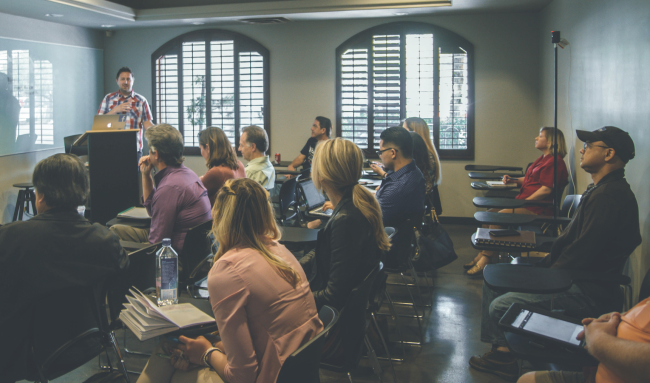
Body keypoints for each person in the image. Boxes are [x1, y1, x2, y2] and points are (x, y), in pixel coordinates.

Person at [469, 126, 641, 382]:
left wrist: (541, 276)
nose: (582, 150)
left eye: (589, 145)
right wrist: (539, 271)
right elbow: (571, 245)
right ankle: (503, 351)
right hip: (568, 274)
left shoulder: (610, 197)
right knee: (493, 278)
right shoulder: (599, 190)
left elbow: (582, 254)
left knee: (500, 304)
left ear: (609, 154)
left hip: (584, 288)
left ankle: (507, 356)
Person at [136, 178, 323, 383]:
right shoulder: (281, 251)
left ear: (218, 218)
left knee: (173, 365)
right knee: (176, 349)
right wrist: (210, 349)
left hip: (272, 374)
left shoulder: (228, 271)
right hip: (294, 370)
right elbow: (262, 336)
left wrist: (206, 354)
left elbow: (242, 376)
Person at [0, 154, 128, 381]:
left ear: (40, 196)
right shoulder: (106, 240)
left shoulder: (10, 239)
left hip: (22, 356)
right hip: (87, 343)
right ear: (83, 193)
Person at [299, 138, 390, 311]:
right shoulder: (354, 205)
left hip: (332, 320)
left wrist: (292, 297)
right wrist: (294, 267)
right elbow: (325, 250)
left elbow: (333, 295)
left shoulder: (346, 220)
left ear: (322, 175)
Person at [464, 126, 569, 276]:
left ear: (551, 141)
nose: (536, 138)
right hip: (527, 204)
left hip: (536, 209)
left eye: (540, 136)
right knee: (489, 215)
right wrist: (511, 180)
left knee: (497, 217)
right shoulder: (543, 159)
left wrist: (524, 202)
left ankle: (486, 258)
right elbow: (528, 179)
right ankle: (482, 254)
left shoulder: (555, 162)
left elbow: (546, 189)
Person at [110, 124, 211, 253]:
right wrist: (146, 175)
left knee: (112, 242)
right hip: (194, 253)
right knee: (115, 230)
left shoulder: (170, 188)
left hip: (174, 257)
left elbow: (156, 244)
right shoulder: (187, 174)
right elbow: (154, 211)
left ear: (156, 154)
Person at [517, 297, 650, 383]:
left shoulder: (598, 342)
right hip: (602, 371)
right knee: (527, 380)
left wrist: (598, 340)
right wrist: (618, 318)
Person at [97, 67, 153, 156]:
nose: (125, 82)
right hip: (111, 148)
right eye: (122, 79)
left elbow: (147, 124)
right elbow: (99, 123)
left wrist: (159, 135)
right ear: (117, 81)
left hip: (134, 149)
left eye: (128, 79)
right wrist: (116, 110)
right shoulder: (108, 98)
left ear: (133, 81)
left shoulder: (141, 100)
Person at [198, 127, 246, 206]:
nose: (201, 152)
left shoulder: (216, 172)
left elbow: (193, 196)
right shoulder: (239, 165)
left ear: (207, 148)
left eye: (200, 148)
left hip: (219, 217)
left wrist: (199, 180)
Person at [402, 117, 442, 187]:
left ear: (413, 132)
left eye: (404, 130)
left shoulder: (422, 154)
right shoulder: (427, 151)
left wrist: (383, 173)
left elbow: (409, 181)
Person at [238, 125, 275, 190]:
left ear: (253, 147)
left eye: (242, 145)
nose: (239, 149)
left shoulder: (250, 172)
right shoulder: (269, 166)